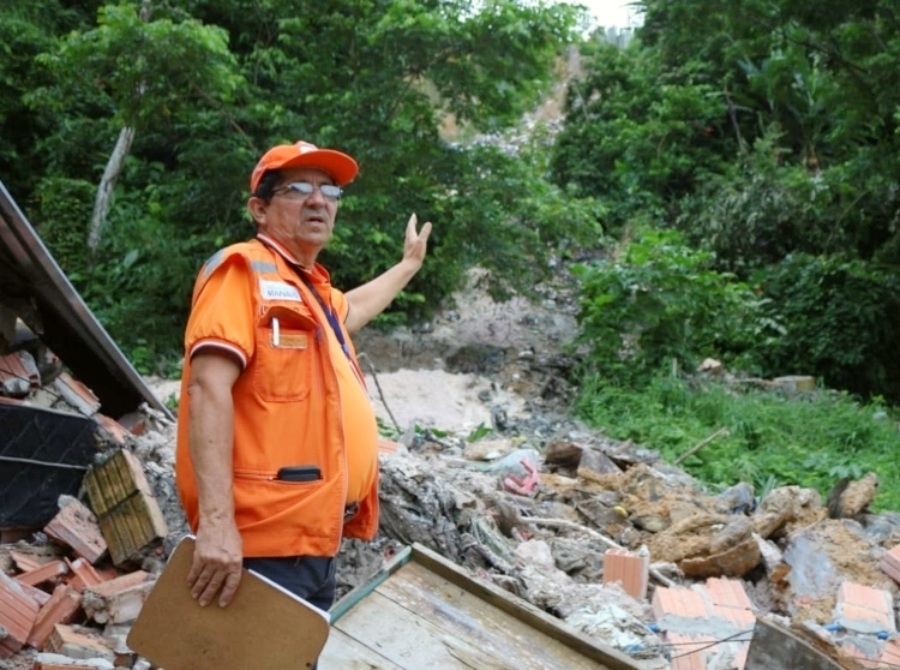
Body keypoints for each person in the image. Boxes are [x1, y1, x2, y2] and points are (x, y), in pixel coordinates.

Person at [174, 140, 432, 621]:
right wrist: (216, 525)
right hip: (259, 542)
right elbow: (207, 387)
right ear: (259, 209)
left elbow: (350, 309)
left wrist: (407, 266)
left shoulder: (310, 292)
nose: (318, 200)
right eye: (298, 189)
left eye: (328, 189)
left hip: (311, 540)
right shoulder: (241, 271)